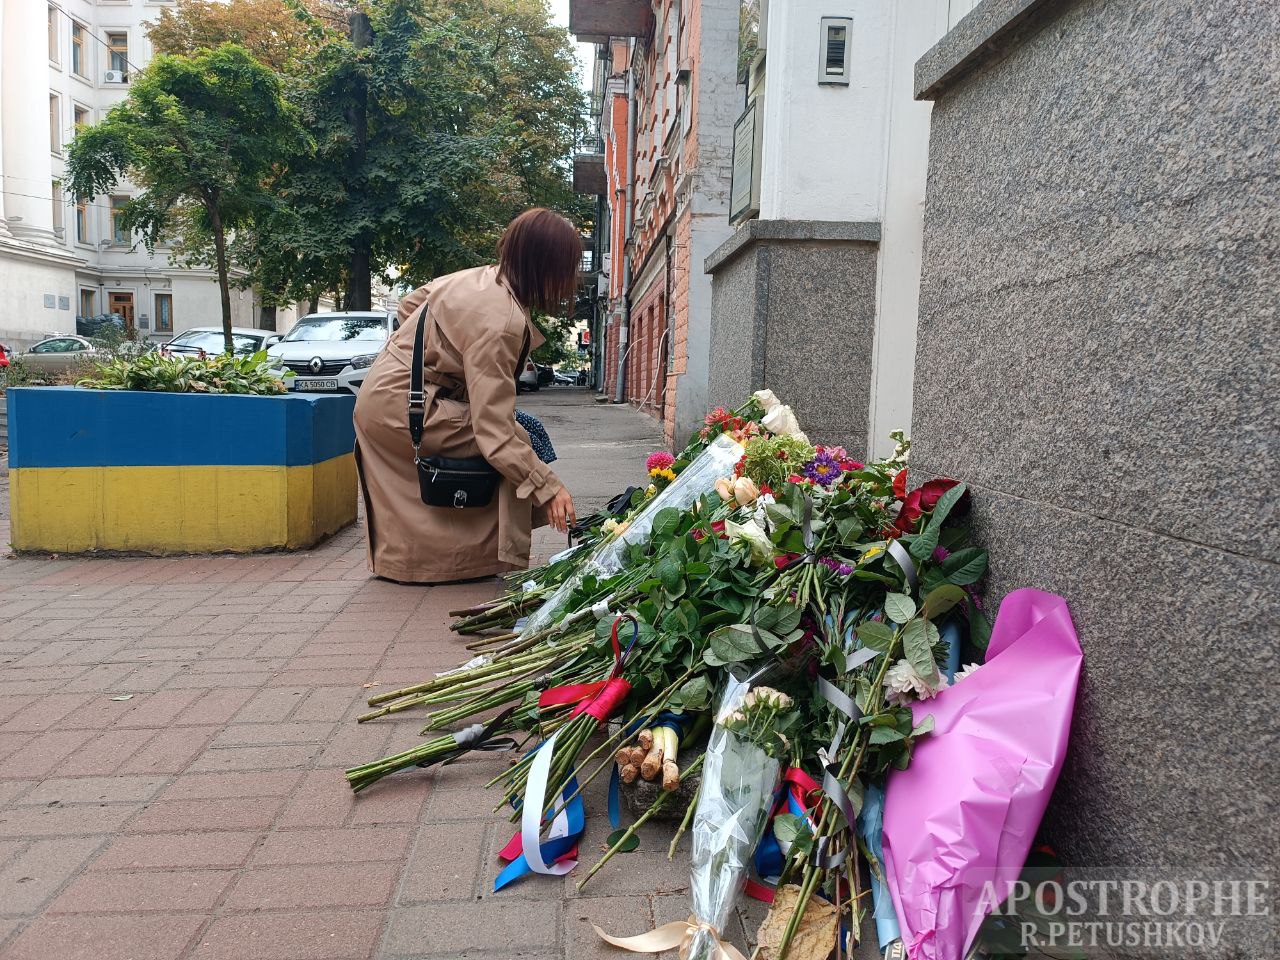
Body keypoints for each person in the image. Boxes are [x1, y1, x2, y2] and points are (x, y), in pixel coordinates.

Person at [353, 208, 578, 583]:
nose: (569, 281)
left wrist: (440, 368)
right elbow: (496, 434)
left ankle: (420, 561)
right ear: (546, 267)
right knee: (517, 443)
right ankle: (484, 558)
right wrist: (550, 488)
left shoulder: (480, 278)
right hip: (405, 407)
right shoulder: (500, 323)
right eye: (567, 269)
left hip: (384, 398)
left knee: (519, 436)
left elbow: (410, 306)